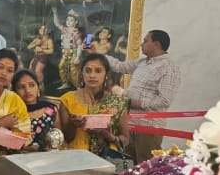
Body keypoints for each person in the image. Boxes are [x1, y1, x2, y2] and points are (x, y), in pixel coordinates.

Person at [107, 30, 180, 162]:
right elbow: (119, 66)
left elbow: (164, 100)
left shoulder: (169, 67)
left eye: (146, 41)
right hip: (130, 124)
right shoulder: (142, 62)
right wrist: (97, 55)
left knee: (146, 166)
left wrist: (136, 103)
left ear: (156, 44)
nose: (141, 44)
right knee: (129, 165)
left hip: (149, 128)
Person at [59, 54, 131, 157]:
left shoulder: (118, 102)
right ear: (82, 73)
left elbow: (126, 139)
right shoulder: (67, 100)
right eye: (88, 71)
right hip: (75, 157)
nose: (92, 75)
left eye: (98, 71)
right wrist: (73, 125)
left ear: (106, 74)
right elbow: (65, 138)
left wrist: (109, 136)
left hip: (107, 160)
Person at [0, 48, 30, 135]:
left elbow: (24, 133)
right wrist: (0, 123)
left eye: (10, 70)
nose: (4, 73)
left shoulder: (14, 100)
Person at [12, 70, 60, 151]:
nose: (27, 90)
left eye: (31, 85)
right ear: (15, 92)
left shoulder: (51, 109)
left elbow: (59, 138)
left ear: (38, 87)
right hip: (20, 157)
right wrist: (25, 149)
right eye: (21, 87)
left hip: (49, 156)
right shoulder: (12, 113)